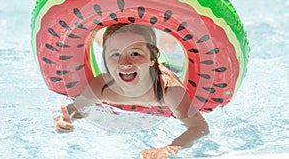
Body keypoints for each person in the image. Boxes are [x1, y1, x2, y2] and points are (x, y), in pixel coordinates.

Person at [55, 23, 209, 158]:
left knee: (169, 46)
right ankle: (104, 39)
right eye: (115, 55)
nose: (124, 62)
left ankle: (166, 40)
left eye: (135, 54)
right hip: (138, 62)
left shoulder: (168, 89)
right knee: (108, 41)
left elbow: (199, 127)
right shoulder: (101, 87)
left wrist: (168, 149)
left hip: (170, 66)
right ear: (105, 61)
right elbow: (78, 110)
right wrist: (64, 122)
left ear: (152, 58)